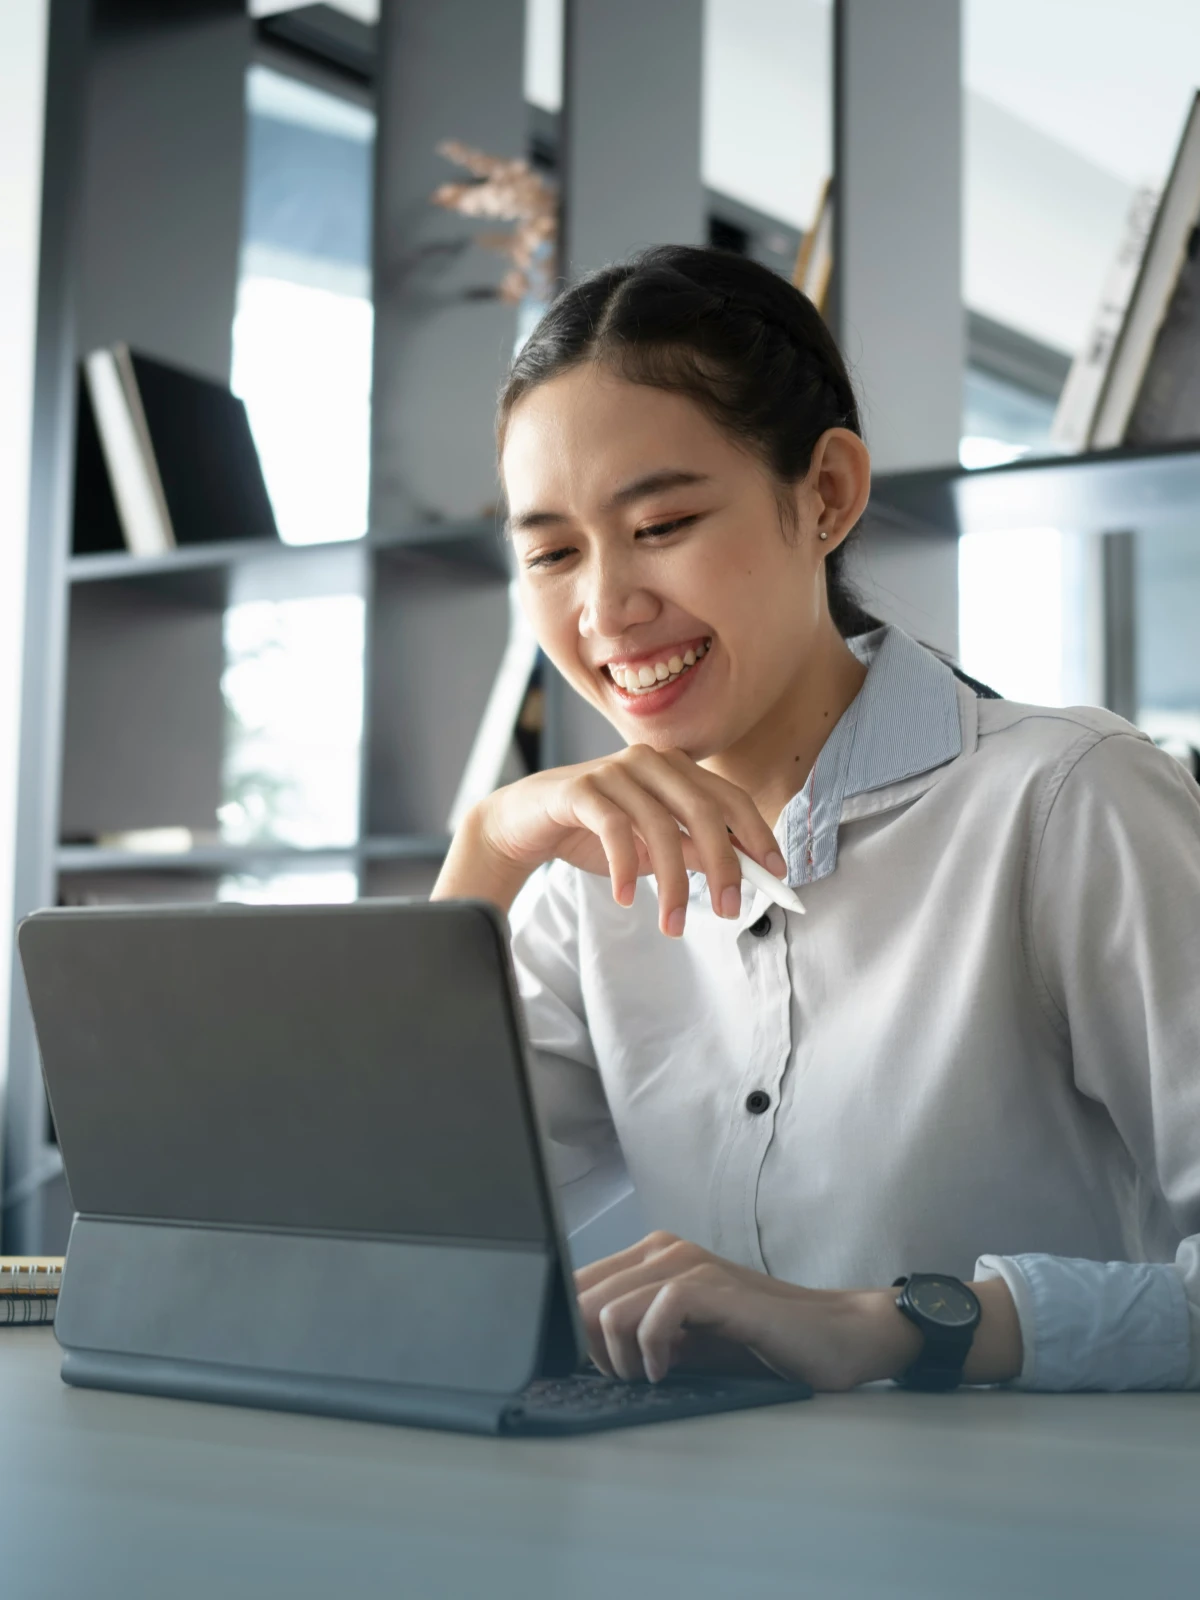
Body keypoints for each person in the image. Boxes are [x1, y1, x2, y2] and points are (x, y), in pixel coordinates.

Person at [433, 244, 1200, 1393]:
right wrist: (487, 846)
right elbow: (390, 1228)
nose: (606, 607)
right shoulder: (584, 884)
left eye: (663, 523)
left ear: (827, 493)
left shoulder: (1069, 802)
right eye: (549, 552)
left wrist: (902, 1324)